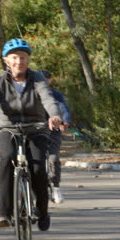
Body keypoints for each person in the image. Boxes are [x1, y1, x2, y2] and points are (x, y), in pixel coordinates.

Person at [0, 38, 62, 231]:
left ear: (28, 60)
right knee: (7, 159)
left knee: (38, 169)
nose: (19, 62)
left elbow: (48, 99)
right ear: (7, 60)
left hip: (36, 128)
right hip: (8, 129)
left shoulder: (38, 78)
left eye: (23, 57)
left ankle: (42, 210)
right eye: (14, 58)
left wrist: (55, 116)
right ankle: (4, 214)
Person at [39, 70, 71, 204]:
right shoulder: (32, 93)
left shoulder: (56, 95)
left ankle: (56, 187)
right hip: (35, 130)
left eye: (47, 79)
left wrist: (64, 121)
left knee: (53, 158)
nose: (44, 82)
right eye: (41, 79)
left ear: (50, 81)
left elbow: (63, 109)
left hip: (53, 131)